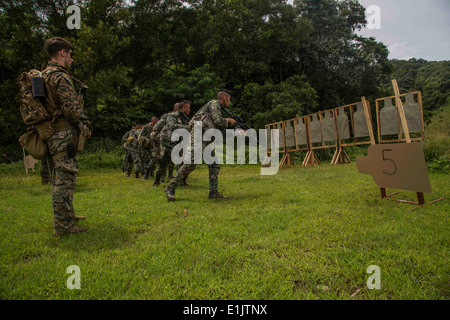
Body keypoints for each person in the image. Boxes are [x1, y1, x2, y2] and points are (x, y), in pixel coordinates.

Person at [42, 37, 92, 236]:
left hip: (50, 132)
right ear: (62, 52)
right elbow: (71, 108)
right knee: (65, 178)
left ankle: (67, 215)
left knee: (60, 177)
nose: (72, 59)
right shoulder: (60, 76)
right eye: (71, 54)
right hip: (62, 134)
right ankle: (63, 226)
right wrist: (85, 124)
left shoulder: (43, 74)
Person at [165, 90, 236, 201]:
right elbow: (218, 121)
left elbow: (216, 127)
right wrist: (228, 121)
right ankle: (170, 187)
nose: (229, 102)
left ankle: (213, 192)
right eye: (229, 99)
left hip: (206, 137)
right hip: (198, 134)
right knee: (191, 163)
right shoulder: (214, 104)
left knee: (214, 164)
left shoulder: (217, 109)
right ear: (224, 98)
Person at [153, 101, 191, 187]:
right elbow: (172, 126)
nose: (190, 110)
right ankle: (156, 181)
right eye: (188, 108)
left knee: (183, 163)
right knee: (163, 163)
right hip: (167, 143)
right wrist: (187, 127)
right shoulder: (172, 116)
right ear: (184, 108)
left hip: (178, 143)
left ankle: (182, 181)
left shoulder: (185, 118)